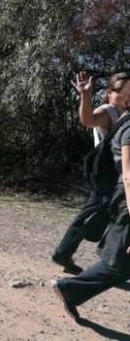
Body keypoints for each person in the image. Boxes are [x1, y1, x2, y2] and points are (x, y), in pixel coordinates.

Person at [51, 72, 130, 320]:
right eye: (121, 89)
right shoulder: (110, 111)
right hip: (110, 180)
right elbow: (88, 120)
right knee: (90, 217)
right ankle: (65, 257)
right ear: (110, 92)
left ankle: (83, 264)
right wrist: (85, 95)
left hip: (113, 181)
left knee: (97, 220)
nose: (125, 94)